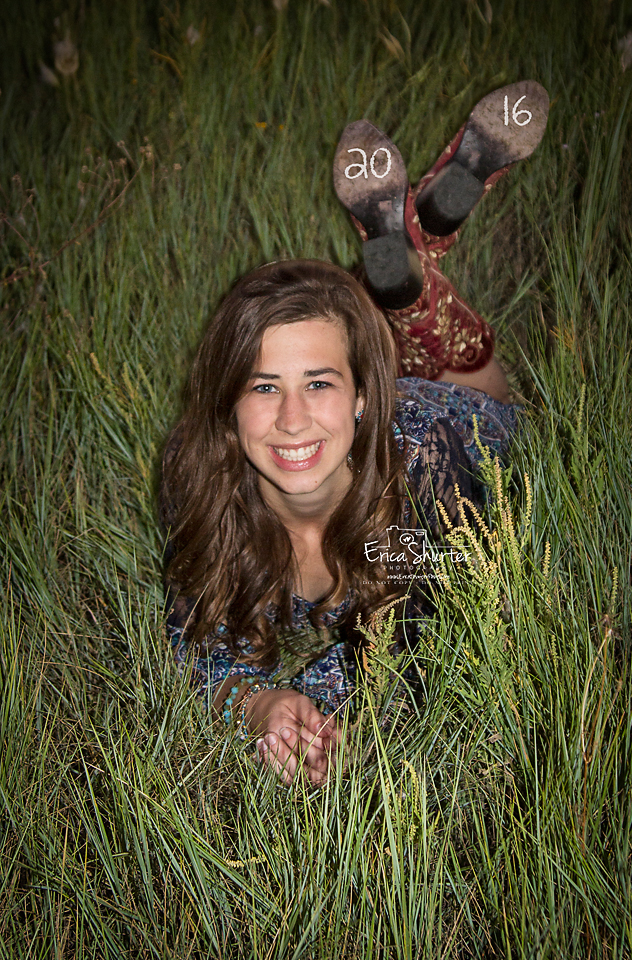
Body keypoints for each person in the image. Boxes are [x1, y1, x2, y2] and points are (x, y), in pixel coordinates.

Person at [160, 81, 548, 786]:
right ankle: (410, 251)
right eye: (262, 387)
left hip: (455, 420)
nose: (291, 419)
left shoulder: (428, 479)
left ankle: (406, 284)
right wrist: (259, 705)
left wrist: (327, 710)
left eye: (317, 385)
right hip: (369, 403)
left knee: (470, 369)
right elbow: (198, 647)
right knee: (331, 328)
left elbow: (425, 650)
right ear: (226, 407)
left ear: (365, 397)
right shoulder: (197, 475)